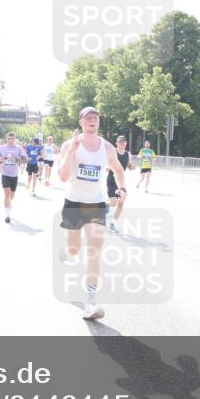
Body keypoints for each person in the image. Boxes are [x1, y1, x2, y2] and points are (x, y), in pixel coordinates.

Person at [58, 107, 128, 320]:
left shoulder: (106, 148)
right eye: (88, 118)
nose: (92, 121)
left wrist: (122, 188)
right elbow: (62, 176)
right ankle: (68, 252)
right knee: (74, 248)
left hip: (96, 203)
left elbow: (118, 170)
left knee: (93, 250)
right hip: (73, 202)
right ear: (81, 122)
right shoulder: (69, 145)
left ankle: (91, 301)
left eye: (95, 118)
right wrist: (71, 151)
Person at [107, 135, 137, 233]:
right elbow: (106, 165)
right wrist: (107, 167)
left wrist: (133, 166)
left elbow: (129, 166)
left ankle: (113, 224)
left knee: (121, 202)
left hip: (121, 181)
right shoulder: (113, 152)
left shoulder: (128, 154)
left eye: (124, 142)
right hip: (112, 180)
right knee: (113, 202)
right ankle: (103, 207)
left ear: (126, 143)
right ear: (116, 143)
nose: (122, 143)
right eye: (120, 142)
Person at [0, 132, 28, 223]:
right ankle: (7, 215)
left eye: (12, 139)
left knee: (12, 195)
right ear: (6, 139)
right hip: (5, 173)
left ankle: (10, 202)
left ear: (15, 139)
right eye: (9, 139)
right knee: (6, 194)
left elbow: (25, 159)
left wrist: (16, 160)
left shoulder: (19, 148)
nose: (10, 140)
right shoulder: (2, 147)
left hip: (14, 174)